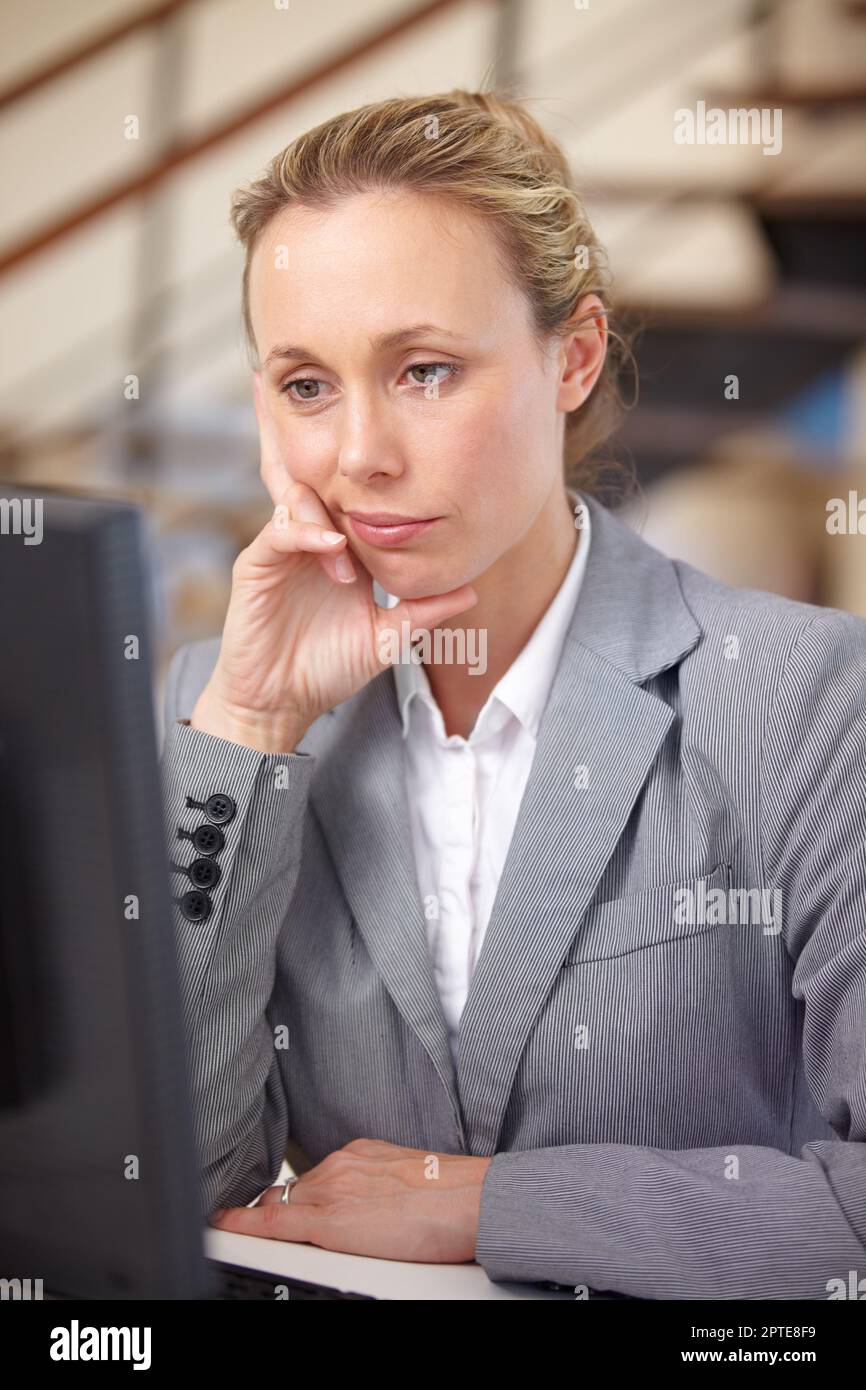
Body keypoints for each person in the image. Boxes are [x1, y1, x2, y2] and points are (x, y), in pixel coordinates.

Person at [159, 89, 866, 1298]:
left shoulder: (800, 699)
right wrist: (255, 724)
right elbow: (175, 1177)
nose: (359, 455)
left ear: (571, 357)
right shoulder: (223, 715)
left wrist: (491, 1205)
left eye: (424, 370)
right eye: (305, 385)